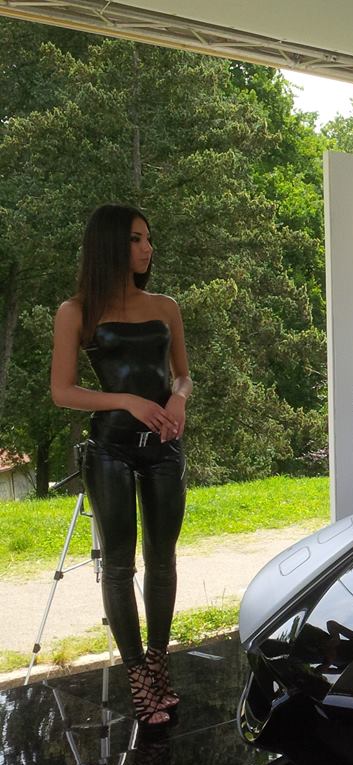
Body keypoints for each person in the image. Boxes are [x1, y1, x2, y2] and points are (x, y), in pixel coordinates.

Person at [51, 204, 192, 727]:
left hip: (164, 446)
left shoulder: (165, 306)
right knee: (118, 564)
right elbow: (63, 391)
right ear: (110, 244)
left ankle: (158, 664)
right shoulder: (76, 311)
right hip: (109, 448)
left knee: (163, 559)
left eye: (148, 239)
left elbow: (183, 375)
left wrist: (178, 399)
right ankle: (137, 677)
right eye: (136, 239)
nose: (147, 248)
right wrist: (127, 400)